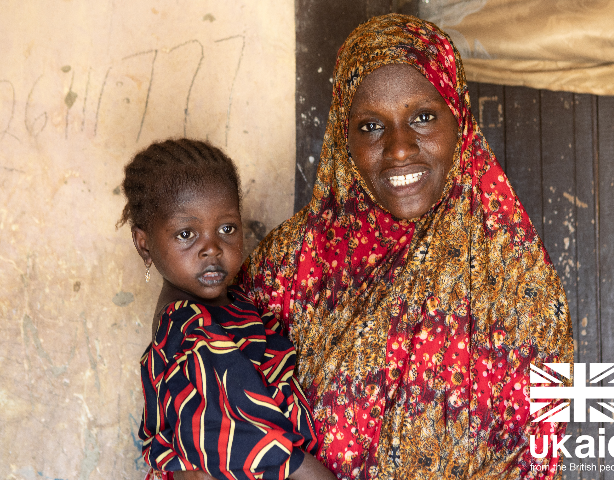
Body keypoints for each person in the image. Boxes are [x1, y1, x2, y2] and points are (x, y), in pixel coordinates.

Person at [240, 14, 573, 479]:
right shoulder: (290, 267)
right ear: (343, 136)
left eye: (422, 117)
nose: (399, 149)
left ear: (458, 118)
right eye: (371, 126)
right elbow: (218, 411)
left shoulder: (519, 279)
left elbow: (543, 454)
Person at [118, 139, 337, 480]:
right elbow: (252, 444)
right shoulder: (189, 326)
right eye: (186, 234)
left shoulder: (229, 304)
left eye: (226, 229)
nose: (212, 248)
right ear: (144, 245)